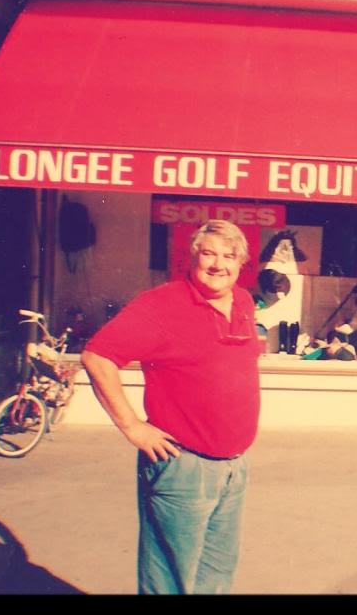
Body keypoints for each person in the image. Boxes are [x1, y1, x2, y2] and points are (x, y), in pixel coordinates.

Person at [81, 220, 261, 594]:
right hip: (182, 467)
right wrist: (132, 426)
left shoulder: (242, 300)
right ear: (191, 257)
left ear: (241, 263)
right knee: (169, 579)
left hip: (233, 466)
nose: (218, 264)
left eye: (229, 256)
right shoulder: (162, 304)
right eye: (208, 253)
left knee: (217, 574)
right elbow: (98, 357)